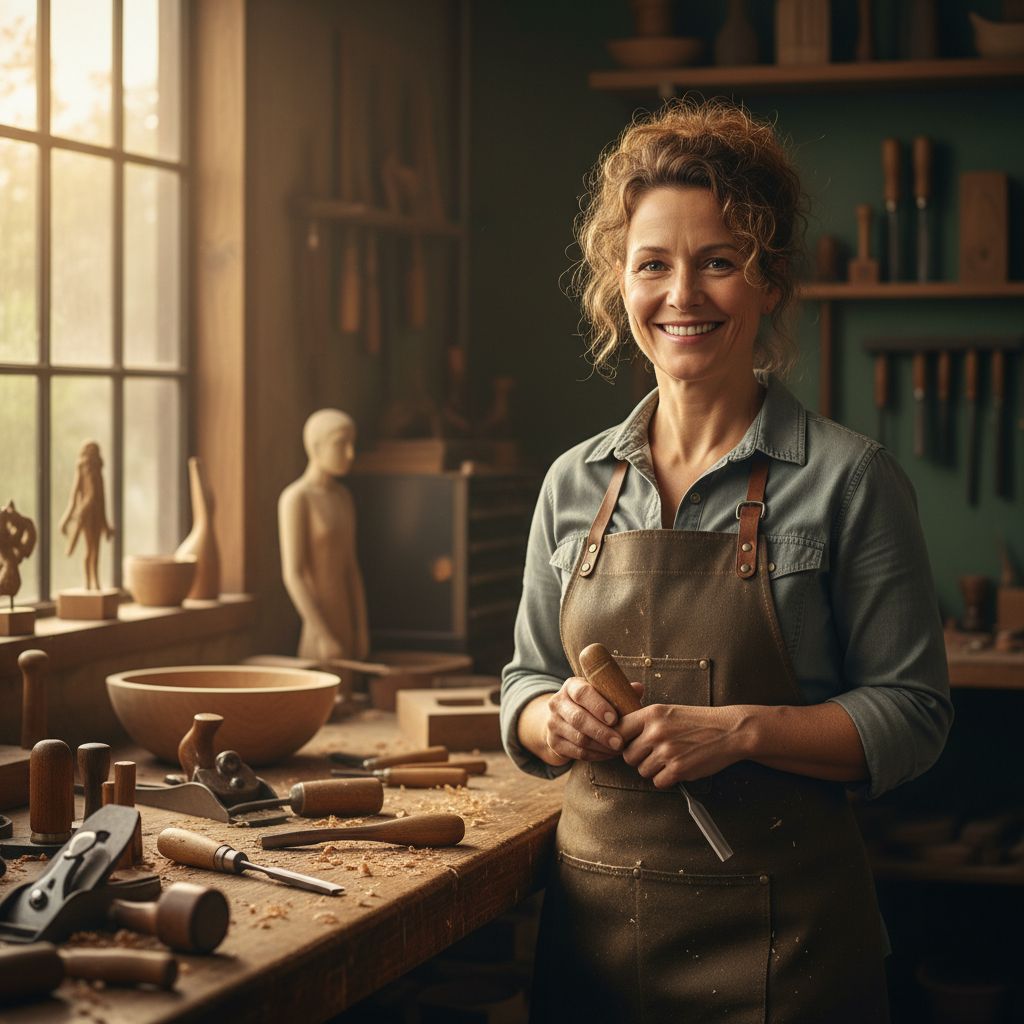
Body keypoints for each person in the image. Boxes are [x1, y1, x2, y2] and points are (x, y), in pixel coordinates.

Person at [500, 99, 952, 1023]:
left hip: (790, 952)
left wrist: (741, 731)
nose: (683, 295)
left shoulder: (850, 480)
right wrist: (552, 719)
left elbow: (914, 714)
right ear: (618, 284)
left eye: (719, 261)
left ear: (770, 280)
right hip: (592, 944)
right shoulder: (572, 482)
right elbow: (524, 680)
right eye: (652, 265)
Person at [278, 408, 370, 665]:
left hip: (345, 619)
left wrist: (361, 628)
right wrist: (323, 635)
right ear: (316, 447)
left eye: (352, 444)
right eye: (341, 444)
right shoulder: (297, 498)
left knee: (349, 687)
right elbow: (293, 575)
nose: (350, 454)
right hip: (318, 624)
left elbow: (351, 568)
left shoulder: (343, 497)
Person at [59, 440, 114, 590]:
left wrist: (106, 524)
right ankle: (89, 583)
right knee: (90, 550)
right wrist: (67, 518)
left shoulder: (98, 473)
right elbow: (74, 496)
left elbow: (101, 500)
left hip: (95, 515)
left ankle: (94, 582)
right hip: (87, 516)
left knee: (95, 550)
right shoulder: (83, 470)